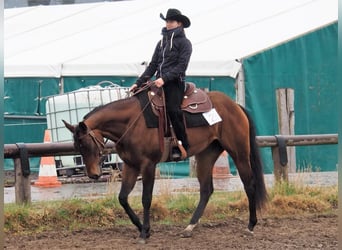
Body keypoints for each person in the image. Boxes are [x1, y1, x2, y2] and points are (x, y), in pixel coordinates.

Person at [130, 8, 192, 159]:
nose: (168, 23)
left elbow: (181, 66)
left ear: (179, 23)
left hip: (175, 82)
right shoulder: (161, 43)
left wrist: (165, 78)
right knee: (140, 102)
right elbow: (152, 66)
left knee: (173, 110)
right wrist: (138, 83)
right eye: (167, 21)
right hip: (158, 82)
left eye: (171, 21)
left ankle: (182, 144)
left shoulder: (185, 43)